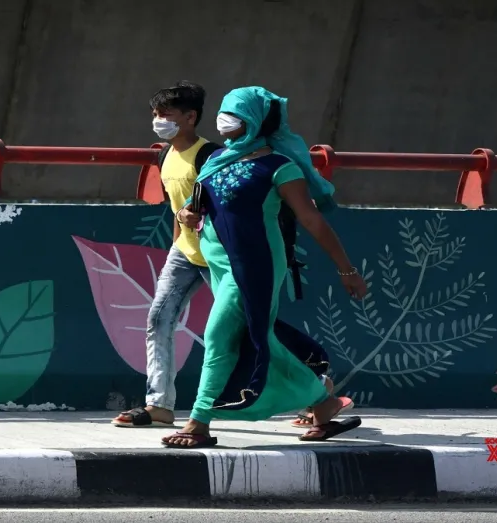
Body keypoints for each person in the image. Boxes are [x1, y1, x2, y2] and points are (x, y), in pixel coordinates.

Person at [161, 86, 368, 447]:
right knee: (254, 336)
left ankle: (198, 422)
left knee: (218, 336)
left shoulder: (279, 167)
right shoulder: (216, 159)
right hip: (219, 264)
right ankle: (323, 402)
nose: (223, 120)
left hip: (255, 265)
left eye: (234, 114)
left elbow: (312, 220)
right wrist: (184, 215)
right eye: (223, 111)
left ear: (254, 120)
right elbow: (194, 208)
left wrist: (346, 269)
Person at [112, 81, 217, 428]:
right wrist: (175, 245)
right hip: (184, 253)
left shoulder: (210, 156)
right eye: (156, 114)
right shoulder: (164, 155)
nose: (158, 120)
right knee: (159, 320)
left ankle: (315, 390)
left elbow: (226, 206)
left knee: (249, 327)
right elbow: (176, 208)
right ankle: (159, 405)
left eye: (166, 114)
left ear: (191, 117)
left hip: (219, 257)